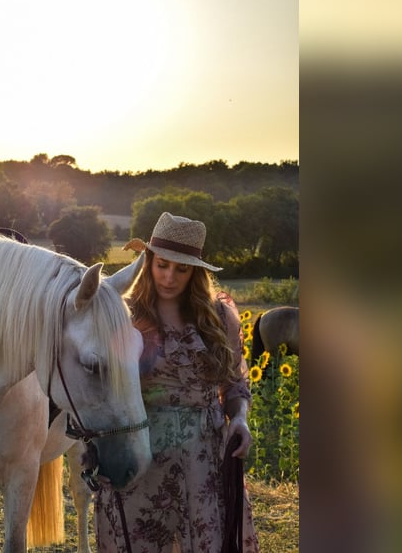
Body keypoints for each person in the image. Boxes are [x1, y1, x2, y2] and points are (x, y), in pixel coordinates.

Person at [95, 212, 260, 553]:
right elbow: (103, 391)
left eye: (181, 269)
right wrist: (98, 449)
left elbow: (234, 383)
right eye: (162, 265)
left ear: (194, 272)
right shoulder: (123, 316)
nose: (169, 277)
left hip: (202, 457)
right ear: (149, 262)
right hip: (140, 453)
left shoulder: (217, 317)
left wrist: (240, 417)